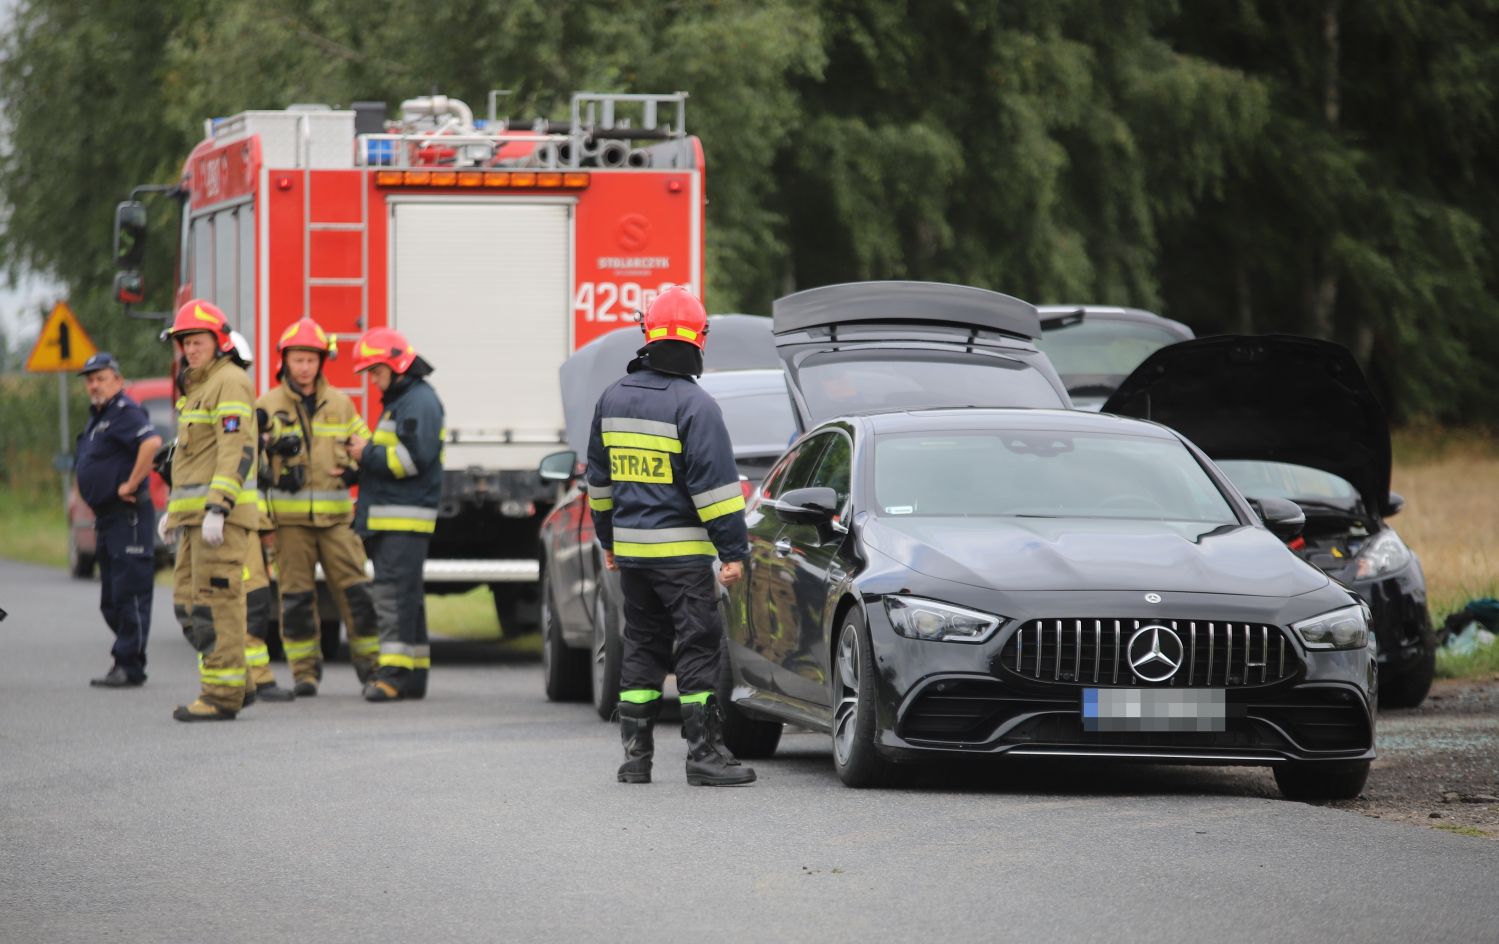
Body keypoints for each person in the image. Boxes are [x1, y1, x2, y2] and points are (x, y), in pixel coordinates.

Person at [585, 286, 755, 787]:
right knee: (698, 647)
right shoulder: (697, 407)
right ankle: (704, 756)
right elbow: (717, 493)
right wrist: (733, 552)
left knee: (641, 645)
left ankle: (635, 759)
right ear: (699, 339)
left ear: (647, 335)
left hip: (634, 557)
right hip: (682, 561)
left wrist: (609, 542)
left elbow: (599, 484)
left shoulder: (611, 398)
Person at [258, 318, 381, 696]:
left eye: (311, 359)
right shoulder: (267, 405)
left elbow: (367, 446)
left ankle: (372, 670)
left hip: (336, 521)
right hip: (290, 523)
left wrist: (350, 476)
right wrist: (273, 482)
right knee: (294, 599)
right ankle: (304, 673)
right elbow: (246, 462)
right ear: (285, 362)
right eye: (298, 359)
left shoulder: (341, 404)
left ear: (321, 362)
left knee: (357, 593)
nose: (305, 366)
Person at [158, 299, 260, 722]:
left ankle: (221, 695)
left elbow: (237, 450)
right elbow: (191, 459)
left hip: (218, 519)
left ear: (217, 342)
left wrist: (219, 507)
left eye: (197, 341)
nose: (191, 349)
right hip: (192, 520)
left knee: (215, 603)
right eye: (185, 342)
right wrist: (174, 511)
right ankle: (241, 682)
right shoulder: (197, 388)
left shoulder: (230, 381)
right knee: (187, 604)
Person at [346, 327, 444, 703]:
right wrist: (358, 469)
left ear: (396, 365)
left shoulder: (417, 402)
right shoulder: (406, 400)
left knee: (392, 599)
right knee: (407, 599)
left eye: (375, 371)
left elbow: (411, 459)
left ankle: (391, 676)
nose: (372, 380)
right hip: (395, 519)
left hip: (402, 521)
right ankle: (413, 676)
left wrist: (363, 454)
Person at [76, 352, 162, 688]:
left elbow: (151, 442)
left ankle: (130, 664)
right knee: (110, 598)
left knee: (130, 592)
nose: (94, 384)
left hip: (129, 517)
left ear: (118, 380)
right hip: (107, 518)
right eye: (90, 379)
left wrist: (131, 482)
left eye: (101, 377)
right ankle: (126, 656)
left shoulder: (124, 411)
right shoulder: (99, 418)